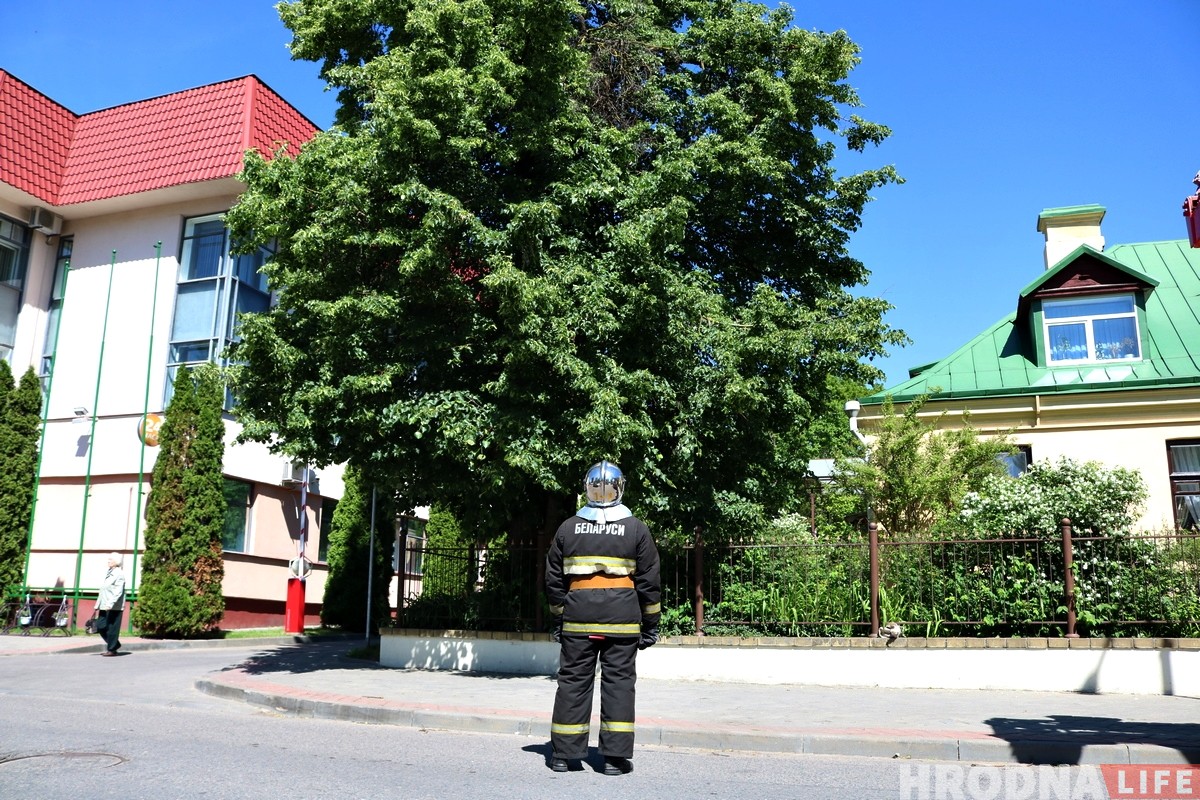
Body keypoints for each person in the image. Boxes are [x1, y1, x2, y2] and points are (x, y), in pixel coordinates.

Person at [544, 461, 661, 775]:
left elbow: (553, 580)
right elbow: (649, 582)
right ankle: (613, 758)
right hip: (622, 620)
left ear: (588, 488)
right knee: (619, 685)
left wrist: (559, 618)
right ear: (620, 488)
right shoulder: (636, 528)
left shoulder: (568, 527)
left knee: (572, 684)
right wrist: (650, 625)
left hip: (578, 619)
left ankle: (562, 756)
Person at [96, 552, 126, 656]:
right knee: (100, 626)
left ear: (116, 562)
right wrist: (97, 605)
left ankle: (112, 649)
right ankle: (115, 644)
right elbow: (103, 590)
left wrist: (111, 604)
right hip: (104, 605)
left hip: (114, 606)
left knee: (112, 628)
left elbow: (118, 591)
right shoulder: (109, 572)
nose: (108, 561)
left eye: (110, 559)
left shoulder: (119, 574)